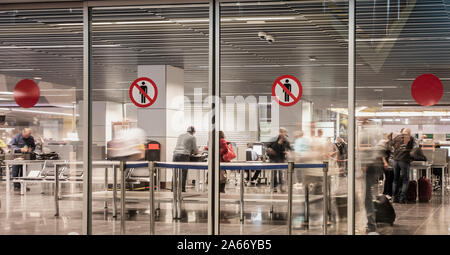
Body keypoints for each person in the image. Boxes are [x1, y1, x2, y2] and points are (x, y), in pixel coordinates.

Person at [357, 118, 384, 234]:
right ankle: (370, 221)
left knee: (367, 197)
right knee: (367, 196)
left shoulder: (367, 132)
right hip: (371, 166)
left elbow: (368, 149)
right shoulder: (373, 130)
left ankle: (371, 224)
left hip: (369, 167)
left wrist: (365, 164)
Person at [392, 128, 418, 203]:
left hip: (396, 160)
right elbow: (415, 149)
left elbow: (392, 146)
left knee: (395, 180)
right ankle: (402, 198)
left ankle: (395, 198)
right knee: (405, 180)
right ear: (409, 133)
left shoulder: (396, 137)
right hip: (404, 160)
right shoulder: (411, 138)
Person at [173, 126, 199, 192]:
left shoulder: (180, 135)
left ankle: (173, 189)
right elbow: (195, 150)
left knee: (175, 173)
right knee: (183, 173)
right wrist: (196, 152)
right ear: (193, 132)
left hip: (175, 154)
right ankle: (182, 189)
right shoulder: (192, 137)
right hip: (184, 155)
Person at [266, 127, 291, 192]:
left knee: (280, 173)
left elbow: (289, 149)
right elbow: (269, 147)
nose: (282, 133)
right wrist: (269, 149)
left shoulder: (286, 141)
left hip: (281, 158)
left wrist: (288, 152)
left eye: (284, 132)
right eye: (281, 132)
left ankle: (281, 186)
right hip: (273, 158)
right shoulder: (274, 139)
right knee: (274, 173)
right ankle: (274, 186)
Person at [381, 133, 394, 198]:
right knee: (388, 178)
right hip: (387, 163)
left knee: (390, 178)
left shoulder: (393, 143)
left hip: (391, 163)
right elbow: (383, 154)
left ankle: (387, 193)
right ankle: (387, 193)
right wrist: (385, 163)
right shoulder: (386, 143)